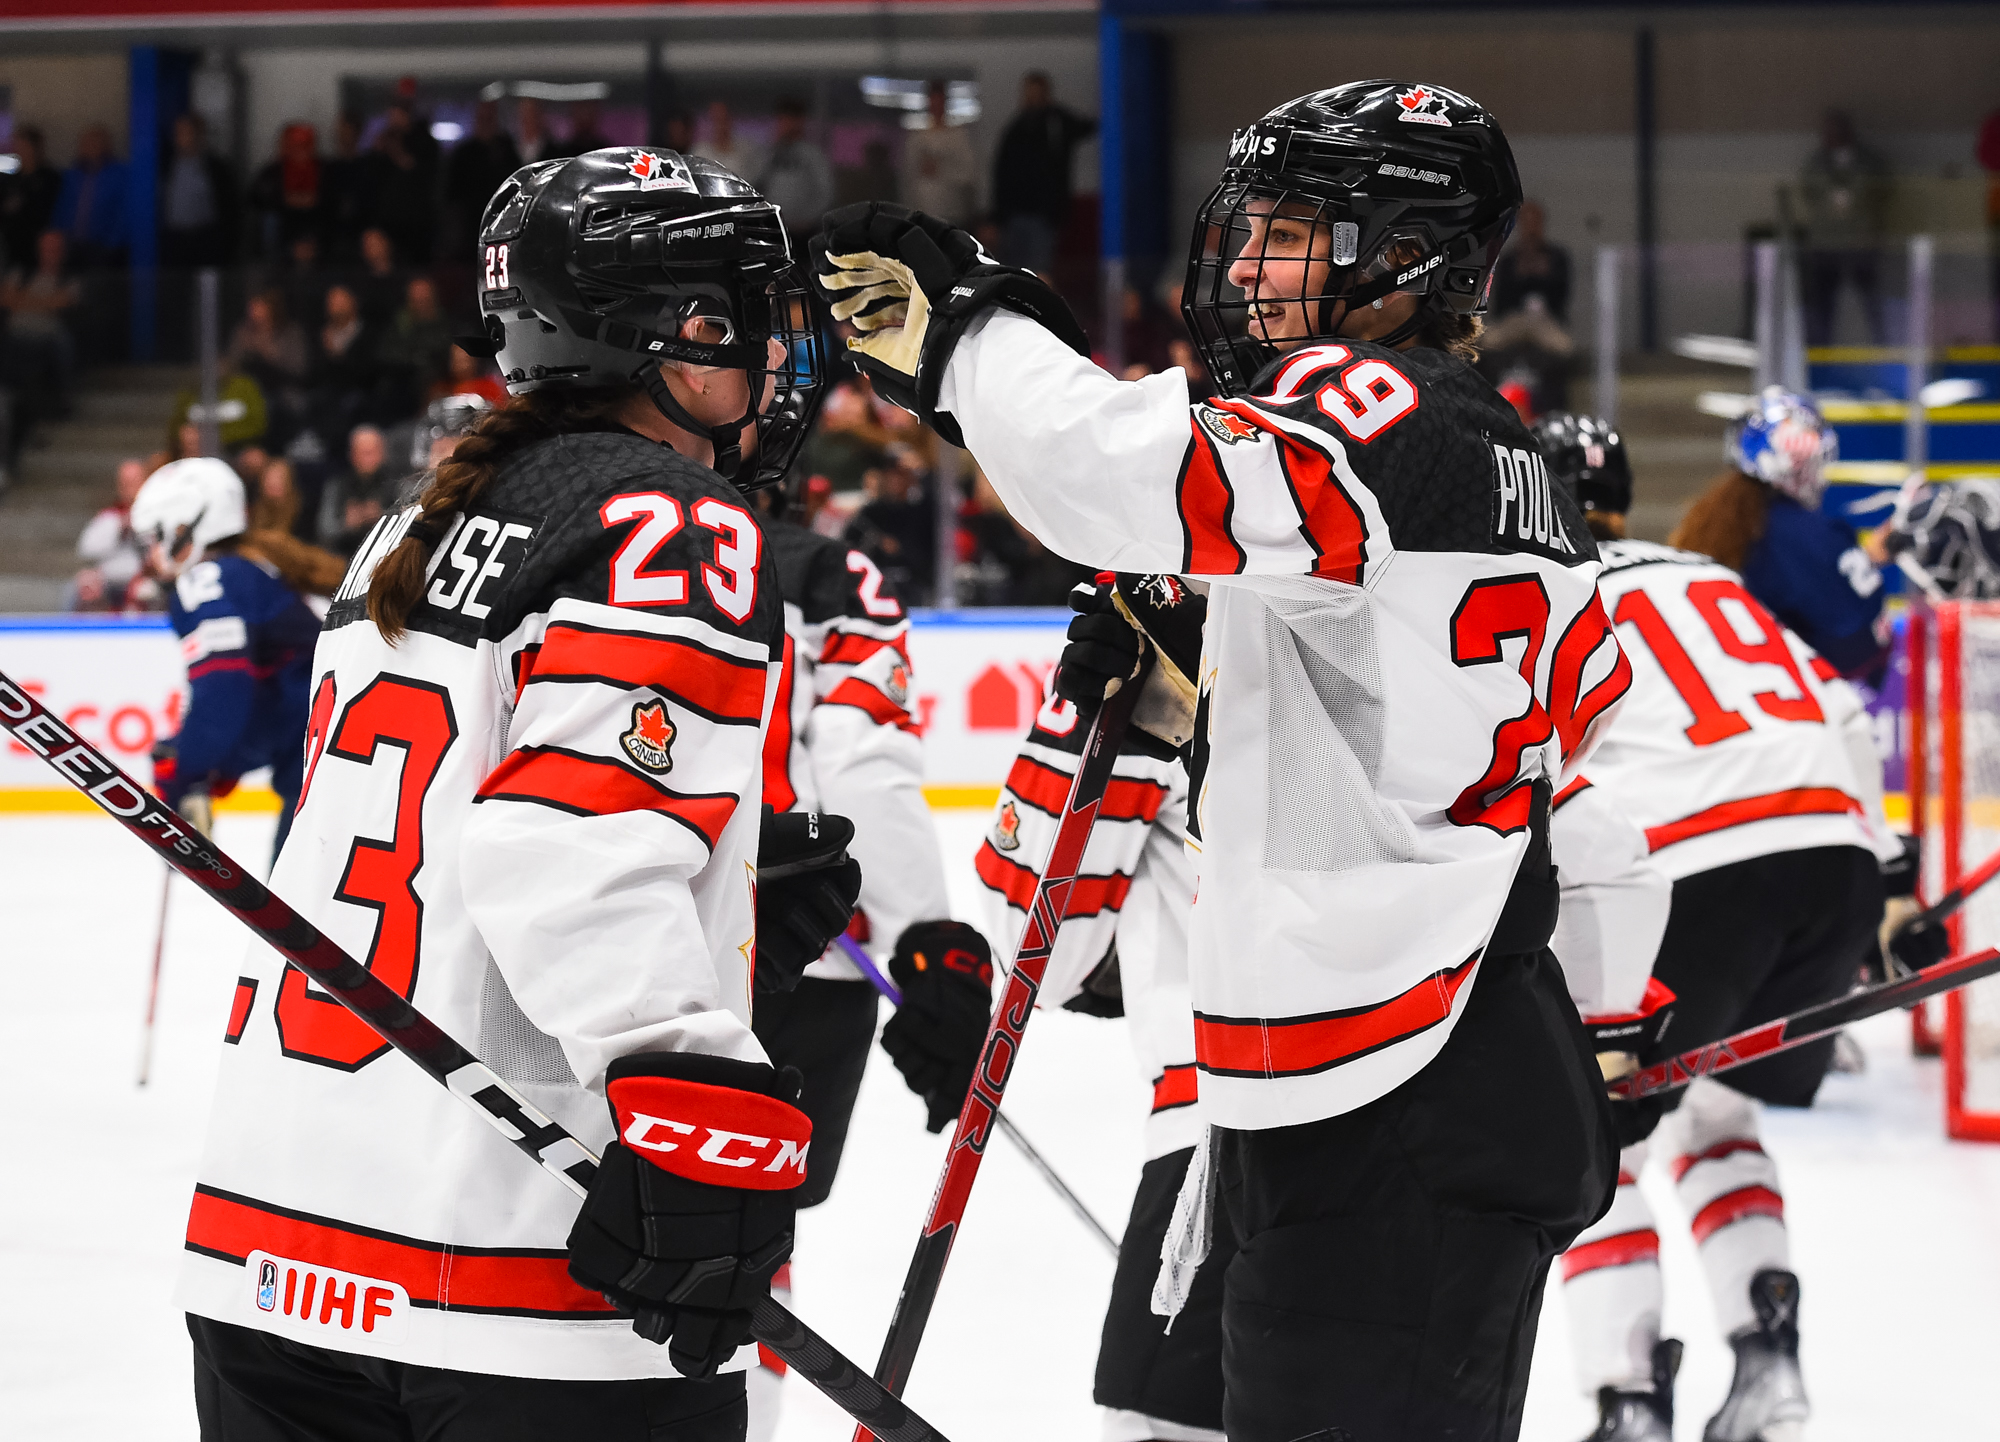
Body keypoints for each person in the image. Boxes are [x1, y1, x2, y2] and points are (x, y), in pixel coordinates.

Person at [813, 78, 1625, 1440]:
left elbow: (1110, 471)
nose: (1248, 261)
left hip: (1399, 1096)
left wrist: (973, 331)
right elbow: (1491, 756)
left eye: (1296, 227)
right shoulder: (1494, 447)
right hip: (1386, 1071)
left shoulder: (1374, 409)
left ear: (1408, 248)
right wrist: (1217, 689)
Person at [176, 146, 858, 1441]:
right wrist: (689, 1076)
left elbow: (471, 817)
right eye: (743, 315)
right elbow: (571, 843)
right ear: (671, 333)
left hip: (270, 1232)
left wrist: (725, 893)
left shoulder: (417, 515)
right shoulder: (671, 522)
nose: (774, 352)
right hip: (509, 1259)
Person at [1538, 412, 1904, 1442]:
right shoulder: (1700, 573)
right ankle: (1767, 1362)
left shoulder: (1539, 591)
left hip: (1692, 867)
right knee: (1714, 1115)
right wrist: (1879, 871)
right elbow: (1834, 709)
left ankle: (1628, 1401)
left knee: (1587, 1147)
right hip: (1830, 861)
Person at [740, 472, 969, 1441]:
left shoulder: (588, 529)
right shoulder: (826, 571)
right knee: (746, 1239)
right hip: (803, 957)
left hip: (631, 934)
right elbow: (860, 760)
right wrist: (924, 935)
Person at [973, 576, 1228, 1442]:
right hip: (1444, 1121)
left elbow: (1041, 952)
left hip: (1230, 1124)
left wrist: (1085, 732)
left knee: (1159, 1429)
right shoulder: (1432, 580)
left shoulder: (1168, 631)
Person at [131, 456, 320, 858]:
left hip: (334, 769)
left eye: (155, 536)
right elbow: (280, 700)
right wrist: (216, 762)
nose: (151, 554)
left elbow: (224, 692)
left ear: (186, 527)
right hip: (339, 762)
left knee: (301, 903)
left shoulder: (209, 579)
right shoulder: (251, 570)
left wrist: (188, 769)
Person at [1670, 387, 1887, 682]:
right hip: (1783, 707)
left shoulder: (1712, 523)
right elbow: (1855, 643)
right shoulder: (1804, 534)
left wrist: (1870, 555)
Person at [991, 71, 1096, 274]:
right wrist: (998, 218)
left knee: (1040, 272)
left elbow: (1087, 127)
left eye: (1037, 93)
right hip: (1015, 216)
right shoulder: (1015, 130)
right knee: (1014, 272)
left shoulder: (1057, 124)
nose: (1032, 99)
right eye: (1029, 93)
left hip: (1044, 216)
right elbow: (1002, 175)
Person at [1799, 110, 1889, 346]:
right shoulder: (1816, 163)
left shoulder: (1869, 162)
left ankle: (1883, 353)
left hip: (1861, 242)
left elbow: (1884, 190)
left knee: (1872, 304)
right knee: (1822, 306)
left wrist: (1855, 198)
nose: (1831, 136)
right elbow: (1807, 191)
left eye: (1836, 130)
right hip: (1826, 244)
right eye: (1827, 131)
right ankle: (1820, 359)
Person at [67, 456, 151, 611]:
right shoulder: (110, 517)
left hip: (148, 578)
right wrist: (120, 528)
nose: (130, 489)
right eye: (125, 483)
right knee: (84, 583)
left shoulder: (159, 516)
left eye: (135, 482)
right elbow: (86, 550)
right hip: (111, 581)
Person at [160, 113, 240, 270]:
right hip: (175, 240)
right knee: (175, 289)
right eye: (177, 133)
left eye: (186, 132)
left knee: (207, 290)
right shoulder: (167, 165)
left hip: (205, 239)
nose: (180, 138)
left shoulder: (215, 167)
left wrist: (227, 244)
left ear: (198, 135)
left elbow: (231, 207)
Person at [445, 98, 522, 250]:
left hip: (501, 224)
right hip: (469, 228)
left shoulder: (506, 151)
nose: (486, 123)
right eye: (483, 118)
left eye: (489, 118)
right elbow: (453, 193)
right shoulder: (463, 154)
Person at [900, 81, 978, 228]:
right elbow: (908, 175)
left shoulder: (958, 137)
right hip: (923, 212)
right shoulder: (917, 138)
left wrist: (942, 168)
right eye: (932, 101)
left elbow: (968, 173)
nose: (936, 106)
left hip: (952, 211)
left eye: (939, 101)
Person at [52, 124, 131, 270]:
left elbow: (124, 212)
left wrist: (112, 244)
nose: (89, 147)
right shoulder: (73, 175)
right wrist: (58, 236)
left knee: (98, 287)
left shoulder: (120, 174)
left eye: (94, 143)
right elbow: (63, 206)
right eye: (85, 143)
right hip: (72, 244)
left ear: (106, 146)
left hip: (102, 246)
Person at [756, 100, 833, 244]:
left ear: (799, 121)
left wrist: (807, 220)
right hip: (774, 229)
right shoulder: (769, 153)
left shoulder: (812, 154)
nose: (784, 124)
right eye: (781, 120)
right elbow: (757, 184)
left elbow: (825, 193)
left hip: (804, 232)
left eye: (788, 119)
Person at [315, 423, 397, 557]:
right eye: (364, 452)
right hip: (343, 557)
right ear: (352, 454)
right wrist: (347, 524)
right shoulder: (337, 486)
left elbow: (408, 526)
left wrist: (381, 517)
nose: (369, 458)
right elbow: (323, 531)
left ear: (383, 453)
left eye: (373, 452)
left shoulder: (397, 485)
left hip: (386, 557)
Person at [250, 122, 325, 259]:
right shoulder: (274, 171)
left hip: (313, 226)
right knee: (270, 221)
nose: (299, 151)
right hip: (284, 226)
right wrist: (286, 200)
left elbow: (328, 199)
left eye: (304, 145)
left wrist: (309, 201)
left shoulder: (321, 169)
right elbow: (256, 197)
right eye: (294, 145)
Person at [0, 126, 63, 272]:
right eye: (17, 145)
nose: (20, 149)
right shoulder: (10, 180)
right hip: (12, 242)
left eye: (23, 145)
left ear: (35, 147)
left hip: (39, 243)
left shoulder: (49, 178)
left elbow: (51, 210)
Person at [694, 100, 764, 186]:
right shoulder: (700, 153)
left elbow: (756, 181)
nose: (720, 125)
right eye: (715, 119)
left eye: (723, 119)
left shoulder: (746, 152)